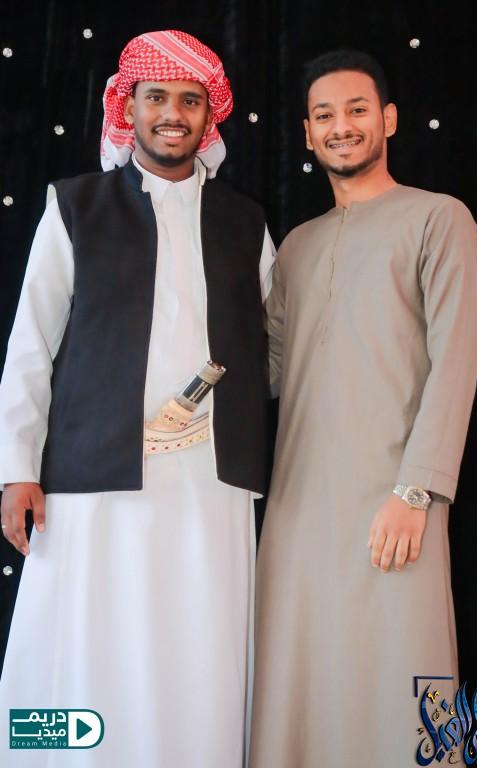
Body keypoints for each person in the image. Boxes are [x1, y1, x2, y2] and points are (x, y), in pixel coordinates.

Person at [0, 29, 274, 767]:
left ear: (209, 116)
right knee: (94, 646)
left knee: (199, 650)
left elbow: (278, 341)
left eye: (190, 100)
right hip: (96, 476)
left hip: (211, 481)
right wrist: (16, 470)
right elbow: (30, 346)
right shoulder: (75, 207)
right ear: (128, 107)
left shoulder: (245, 222)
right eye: (157, 97)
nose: (172, 114)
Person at [249, 48, 477, 767]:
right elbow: (267, 372)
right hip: (296, 511)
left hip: (395, 501)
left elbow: (457, 361)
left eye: (356, 110)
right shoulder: (296, 247)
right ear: (307, 134)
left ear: (388, 119)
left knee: (399, 681)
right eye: (324, 115)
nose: (341, 126)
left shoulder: (438, 219)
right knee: (294, 686)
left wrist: (417, 491)